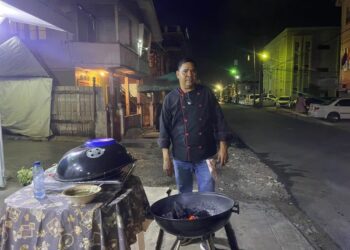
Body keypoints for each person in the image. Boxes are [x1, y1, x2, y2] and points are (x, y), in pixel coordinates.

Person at [158, 58, 232, 193]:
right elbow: (164, 129)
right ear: (177, 74)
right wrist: (166, 158)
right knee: (185, 195)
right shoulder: (170, 99)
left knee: (208, 194)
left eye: (192, 71)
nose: (189, 75)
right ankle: (187, 215)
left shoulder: (206, 93)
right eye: (185, 71)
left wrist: (223, 146)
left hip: (206, 157)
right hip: (180, 158)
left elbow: (219, 120)